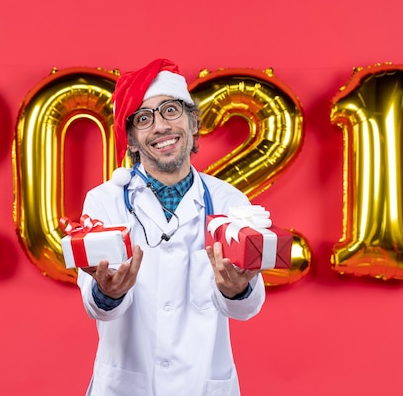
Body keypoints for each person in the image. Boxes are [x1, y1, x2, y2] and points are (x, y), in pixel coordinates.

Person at [77, 58, 266, 396]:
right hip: (125, 386)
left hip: (203, 384)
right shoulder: (104, 201)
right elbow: (97, 309)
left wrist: (236, 289)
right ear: (132, 140)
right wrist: (109, 292)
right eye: (144, 119)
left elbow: (248, 308)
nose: (161, 127)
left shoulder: (228, 200)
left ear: (192, 123)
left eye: (170, 110)